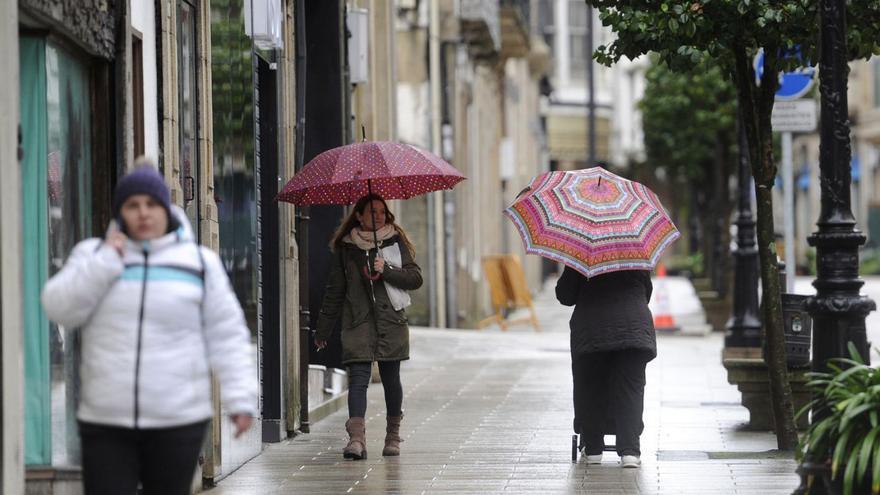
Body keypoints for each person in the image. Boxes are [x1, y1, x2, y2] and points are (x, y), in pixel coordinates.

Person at [41, 163, 257, 494]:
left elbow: (227, 334)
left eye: (151, 204)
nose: (143, 213)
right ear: (120, 213)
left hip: (177, 419)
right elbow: (58, 307)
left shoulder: (198, 263)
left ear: (165, 209)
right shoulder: (93, 255)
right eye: (132, 205)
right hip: (106, 421)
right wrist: (104, 265)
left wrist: (241, 399)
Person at [315, 193, 423, 460]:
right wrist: (323, 330)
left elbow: (415, 278)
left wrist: (385, 269)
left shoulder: (396, 242)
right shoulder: (346, 248)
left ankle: (392, 436)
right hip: (357, 322)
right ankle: (356, 439)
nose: (378, 215)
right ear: (359, 216)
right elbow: (335, 291)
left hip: (391, 322)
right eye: (371, 212)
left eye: (381, 211)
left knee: (390, 380)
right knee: (358, 380)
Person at [555, 266, 656, 468]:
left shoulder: (581, 256)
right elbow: (646, 293)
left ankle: (593, 449)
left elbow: (565, 295)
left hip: (592, 328)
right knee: (631, 389)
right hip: (633, 328)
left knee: (591, 387)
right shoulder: (634, 254)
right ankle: (630, 452)